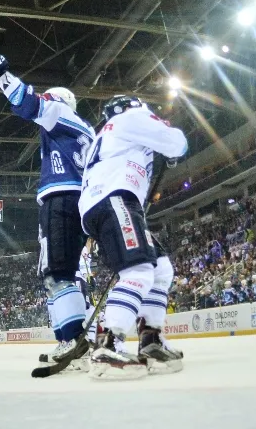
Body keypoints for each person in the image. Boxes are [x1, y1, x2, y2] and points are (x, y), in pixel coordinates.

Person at [0, 46, 94, 373]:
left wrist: (0, 71)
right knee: (57, 273)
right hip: (80, 200)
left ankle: (75, 339)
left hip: (61, 198)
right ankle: (72, 338)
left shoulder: (60, 114)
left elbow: (26, 103)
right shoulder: (87, 130)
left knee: (58, 273)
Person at [78, 95, 187, 380]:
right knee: (138, 271)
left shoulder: (108, 133)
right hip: (115, 199)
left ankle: (150, 342)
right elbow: (176, 141)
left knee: (160, 269)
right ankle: (107, 345)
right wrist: (170, 146)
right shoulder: (130, 118)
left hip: (107, 202)